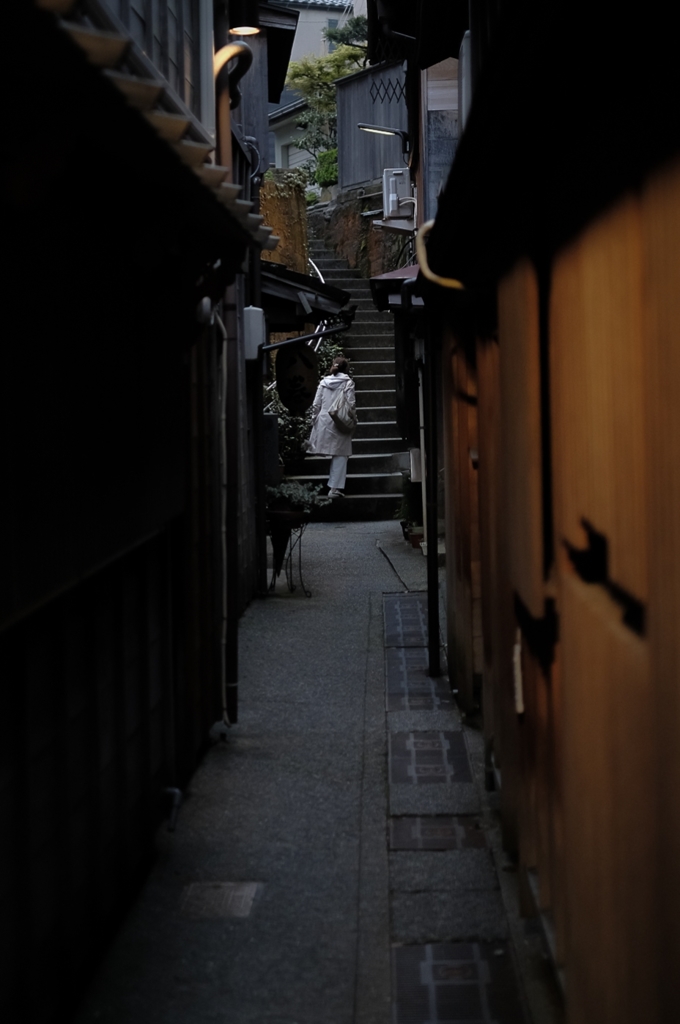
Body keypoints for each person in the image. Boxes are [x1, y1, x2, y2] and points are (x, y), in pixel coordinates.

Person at [307, 355, 356, 497]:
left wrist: (314, 419)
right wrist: (353, 419)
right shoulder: (348, 382)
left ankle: (333, 487)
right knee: (341, 453)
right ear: (346, 369)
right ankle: (334, 488)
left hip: (324, 420)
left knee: (335, 451)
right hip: (340, 420)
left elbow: (316, 404)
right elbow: (351, 404)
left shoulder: (323, 382)